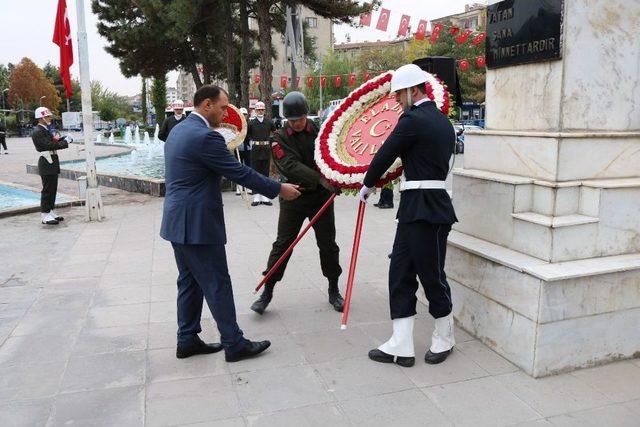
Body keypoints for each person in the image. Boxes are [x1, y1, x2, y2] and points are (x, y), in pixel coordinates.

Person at [160, 85, 301, 362]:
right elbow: (239, 172)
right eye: (223, 107)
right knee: (217, 282)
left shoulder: (179, 130)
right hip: (198, 224)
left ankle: (187, 339)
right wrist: (278, 188)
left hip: (177, 221)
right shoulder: (204, 137)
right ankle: (234, 343)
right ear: (207, 105)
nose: (226, 114)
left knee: (189, 282)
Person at [359, 64, 458, 367]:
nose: (397, 100)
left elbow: (385, 154)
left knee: (431, 276)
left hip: (426, 207)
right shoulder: (442, 121)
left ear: (413, 90)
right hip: (418, 206)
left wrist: (366, 185)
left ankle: (446, 336)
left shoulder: (414, 120)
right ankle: (401, 343)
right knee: (400, 271)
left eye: (400, 94)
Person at [250, 91, 345, 315]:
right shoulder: (278, 138)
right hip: (293, 196)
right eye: (293, 121)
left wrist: (339, 176)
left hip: (321, 196)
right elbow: (290, 166)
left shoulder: (320, 130)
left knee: (328, 244)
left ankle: (334, 288)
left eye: (301, 119)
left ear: (306, 115)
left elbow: (333, 153)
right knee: (282, 244)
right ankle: (268, 290)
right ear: (286, 119)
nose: (298, 124)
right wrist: (321, 179)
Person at [31, 107, 70, 225]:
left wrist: (64, 139)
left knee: (53, 188)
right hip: (46, 162)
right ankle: (44, 214)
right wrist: (66, 142)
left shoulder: (44, 129)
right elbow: (49, 145)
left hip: (51, 161)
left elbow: (53, 141)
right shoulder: (38, 131)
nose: (50, 118)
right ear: (41, 118)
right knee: (47, 189)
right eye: (47, 116)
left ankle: (50, 211)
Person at [247, 101, 276, 206]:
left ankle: (265, 196)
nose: (260, 111)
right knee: (255, 173)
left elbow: (275, 133)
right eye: (258, 109)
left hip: (266, 149)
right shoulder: (251, 123)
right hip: (255, 150)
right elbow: (247, 136)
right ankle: (256, 196)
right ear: (255, 110)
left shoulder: (269, 122)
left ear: (264, 110)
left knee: (265, 173)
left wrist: (273, 143)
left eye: (262, 109)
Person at [235, 107, 251, 196]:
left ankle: (248, 186)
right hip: (238, 147)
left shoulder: (249, 124)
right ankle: (239, 187)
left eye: (245, 115)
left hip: (248, 148)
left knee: (248, 167)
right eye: (242, 114)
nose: (243, 116)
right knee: (238, 167)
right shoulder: (236, 124)